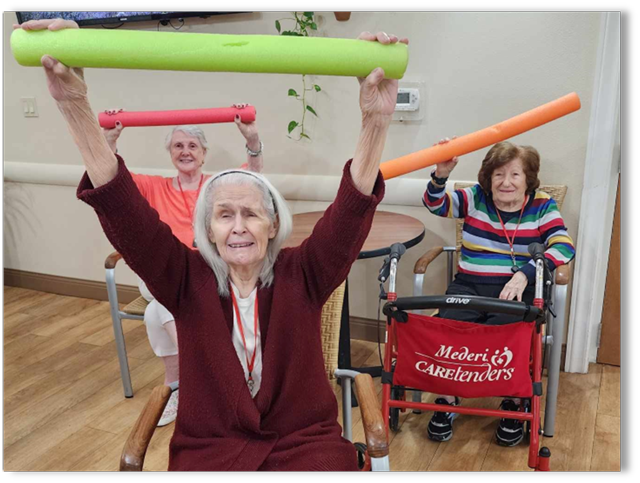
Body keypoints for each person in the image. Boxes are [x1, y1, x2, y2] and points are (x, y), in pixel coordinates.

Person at [28, 18, 406, 471]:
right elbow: (123, 209)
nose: (239, 226)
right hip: (211, 452)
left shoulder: (303, 273)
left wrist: (376, 121)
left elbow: (351, 211)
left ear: (273, 226)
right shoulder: (185, 279)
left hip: (303, 447)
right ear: (208, 229)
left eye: (252, 213)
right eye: (225, 215)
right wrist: (74, 105)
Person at [101, 112, 262, 426]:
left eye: (192, 145)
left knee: (154, 313)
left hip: (210, 272)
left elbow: (254, 175)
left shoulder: (217, 187)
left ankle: (179, 386)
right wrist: (109, 143)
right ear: (171, 153)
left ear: (203, 154)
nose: (185, 151)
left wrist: (252, 138)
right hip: (166, 274)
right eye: (178, 146)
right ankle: (213, 374)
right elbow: (111, 179)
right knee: (167, 292)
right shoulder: (154, 187)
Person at [422, 137, 575, 446]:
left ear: (527, 179)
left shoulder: (541, 204)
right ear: (488, 178)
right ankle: (449, 398)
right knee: (452, 328)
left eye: (515, 174)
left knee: (507, 336)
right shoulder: (477, 198)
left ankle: (512, 401)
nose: (506, 182)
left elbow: (563, 245)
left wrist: (525, 274)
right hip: (469, 284)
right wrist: (440, 175)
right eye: (498, 174)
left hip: (516, 289)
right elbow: (436, 204)